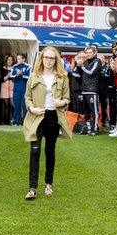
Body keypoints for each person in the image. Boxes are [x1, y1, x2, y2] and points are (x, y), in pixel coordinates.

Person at [23, 46, 72, 200]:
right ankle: (32, 188)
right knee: (35, 151)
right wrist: (32, 108)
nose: (48, 61)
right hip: (37, 116)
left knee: (50, 151)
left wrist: (61, 102)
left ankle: (48, 184)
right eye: (46, 57)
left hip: (53, 118)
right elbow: (27, 97)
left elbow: (67, 99)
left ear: (56, 60)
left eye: (51, 58)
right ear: (41, 59)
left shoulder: (62, 77)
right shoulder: (34, 76)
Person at [75, 46, 102, 136]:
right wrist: (78, 65)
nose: (88, 54)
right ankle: (88, 128)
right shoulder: (86, 61)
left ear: (94, 53)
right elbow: (79, 74)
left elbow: (91, 73)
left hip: (92, 89)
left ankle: (94, 130)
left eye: (90, 52)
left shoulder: (97, 61)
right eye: (87, 53)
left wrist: (82, 66)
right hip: (84, 89)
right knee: (86, 111)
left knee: (94, 110)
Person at [11, 53, 31, 125]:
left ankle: (26, 122)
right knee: (16, 106)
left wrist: (22, 74)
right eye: (17, 59)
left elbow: (29, 78)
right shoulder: (14, 66)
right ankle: (16, 121)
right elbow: (12, 77)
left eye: (19, 59)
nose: (18, 60)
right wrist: (17, 75)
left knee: (25, 107)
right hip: (16, 90)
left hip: (25, 90)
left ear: (23, 59)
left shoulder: (28, 66)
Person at [1, 54, 15, 124]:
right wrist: (7, 76)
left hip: (12, 86)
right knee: (6, 104)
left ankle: (12, 119)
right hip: (4, 86)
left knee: (12, 103)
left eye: (11, 60)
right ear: (6, 60)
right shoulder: (2, 68)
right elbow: (1, 79)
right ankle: (6, 120)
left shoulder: (14, 68)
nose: (10, 61)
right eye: (8, 60)